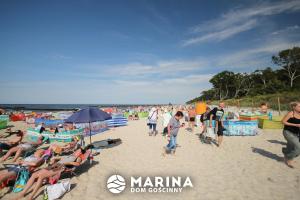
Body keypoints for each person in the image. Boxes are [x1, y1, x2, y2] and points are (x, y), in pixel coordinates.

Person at [16, 146, 92, 200]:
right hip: (55, 165)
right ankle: (23, 193)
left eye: (79, 150)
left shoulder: (77, 158)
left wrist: (67, 163)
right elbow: (60, 158)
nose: (77, 150)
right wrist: (54, 158)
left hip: (60, 168)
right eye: (78, 149)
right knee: (34, 175)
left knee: (41, 177)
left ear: (80, 152)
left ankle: (31, 196)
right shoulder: (71, 155)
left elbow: (77, 164)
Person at [281, 101, 300, 168]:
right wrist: (295, 125)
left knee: (290, 147)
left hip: (296, 133)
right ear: (294, 107)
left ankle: (285, 151)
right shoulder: (291, 113)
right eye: (299, 106)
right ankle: (288, 158)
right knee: (298, 148)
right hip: (288, 132)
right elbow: (283, 121)